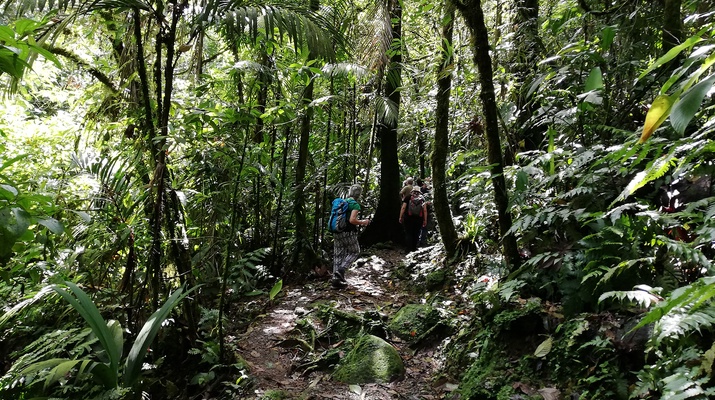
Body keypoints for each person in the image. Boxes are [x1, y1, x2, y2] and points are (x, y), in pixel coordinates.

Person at [332, 184, 371, 289]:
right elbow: (352, 220)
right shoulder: (354, 205)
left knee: (338, 255)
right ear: (359, 194)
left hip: (337, 231)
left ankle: (335, 280)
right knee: (355, 251)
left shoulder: (342, 202)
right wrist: (364, 222)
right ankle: (341, 270)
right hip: (348, 232)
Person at [399, 186, 427, 252]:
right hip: (418, 219)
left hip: (408, 218)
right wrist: (425, 220)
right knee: (416, 233)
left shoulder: (408, 197)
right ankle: (414, 249)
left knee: (409, 233)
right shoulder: (422, 199)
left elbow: (403, 207)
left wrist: (400, 216)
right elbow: (425, 210)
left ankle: (408, 249)